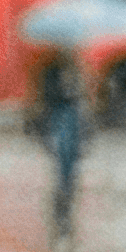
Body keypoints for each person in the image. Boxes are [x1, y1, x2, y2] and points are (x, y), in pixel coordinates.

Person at [37, 48, 86, 240]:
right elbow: (48, 98)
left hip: (73, 122)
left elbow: (81, 98)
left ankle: (67, 202)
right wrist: (65, 89)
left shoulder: (76, 71)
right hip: (59, 120)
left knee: (72, 167)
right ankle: (61, 208)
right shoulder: (51, 72)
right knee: (62, 166)